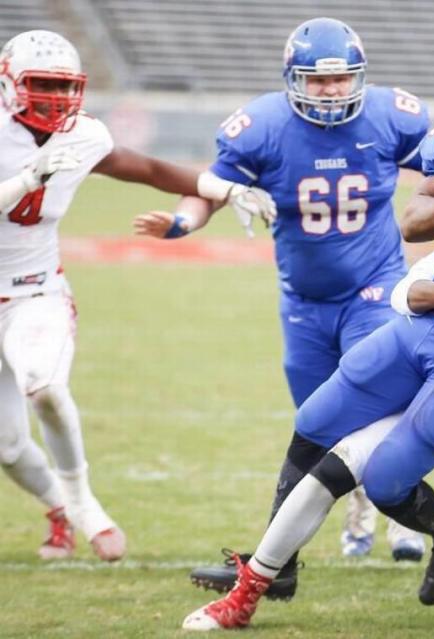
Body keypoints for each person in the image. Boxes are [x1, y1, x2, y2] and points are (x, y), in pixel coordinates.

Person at [179, 63, 434, 631]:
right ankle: (254, 589)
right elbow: (415, 221)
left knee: (384, 482)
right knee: (316, 419)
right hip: (426, 324)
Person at [135, 17, 430, 593]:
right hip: (303, 301)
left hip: (375, 287)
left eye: (342, 79)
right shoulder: (262, 127)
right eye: (317, 82)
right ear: (293, 80)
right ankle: (330, 533)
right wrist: (179, 222)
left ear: (360, 78)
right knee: (315, 428)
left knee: (378, 406)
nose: (330, 91)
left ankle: (408, 523)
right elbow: (212, 188)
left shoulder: (391, 114)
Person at [0, 30, 274, 562]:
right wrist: (29, 176)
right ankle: (57, 507)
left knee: (45, 388)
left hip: (35, 293)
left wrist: (227, 189)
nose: (55, 98)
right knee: (9, 447)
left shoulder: (81, 134)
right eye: (41, 85)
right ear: (9, 85)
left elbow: (152, 170)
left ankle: (83, 505)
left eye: (64, 86)